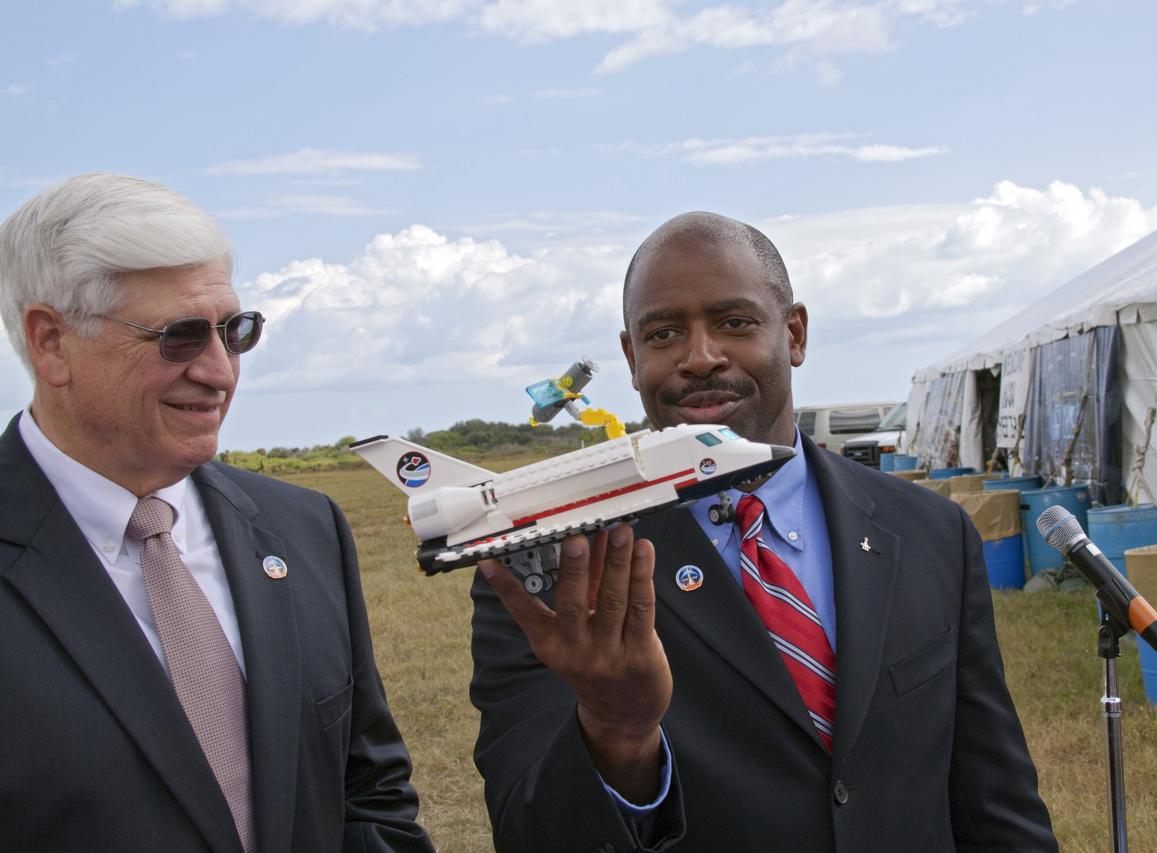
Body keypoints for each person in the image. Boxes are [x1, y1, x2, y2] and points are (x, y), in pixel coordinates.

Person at [470, 211, 1058, 851]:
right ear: (632, 358)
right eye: (663, 334)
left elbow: (994, 802)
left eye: (735, 323)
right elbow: (529, 832)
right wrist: (617, 733)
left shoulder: (929, 532)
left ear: (794, 334)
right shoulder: (551, 567)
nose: (700, 358)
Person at [0, 173, 434, 853]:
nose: (220, 371)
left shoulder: (305, 527)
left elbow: (367, 793)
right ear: (52, 342)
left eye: (236, 332)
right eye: (179, 337)